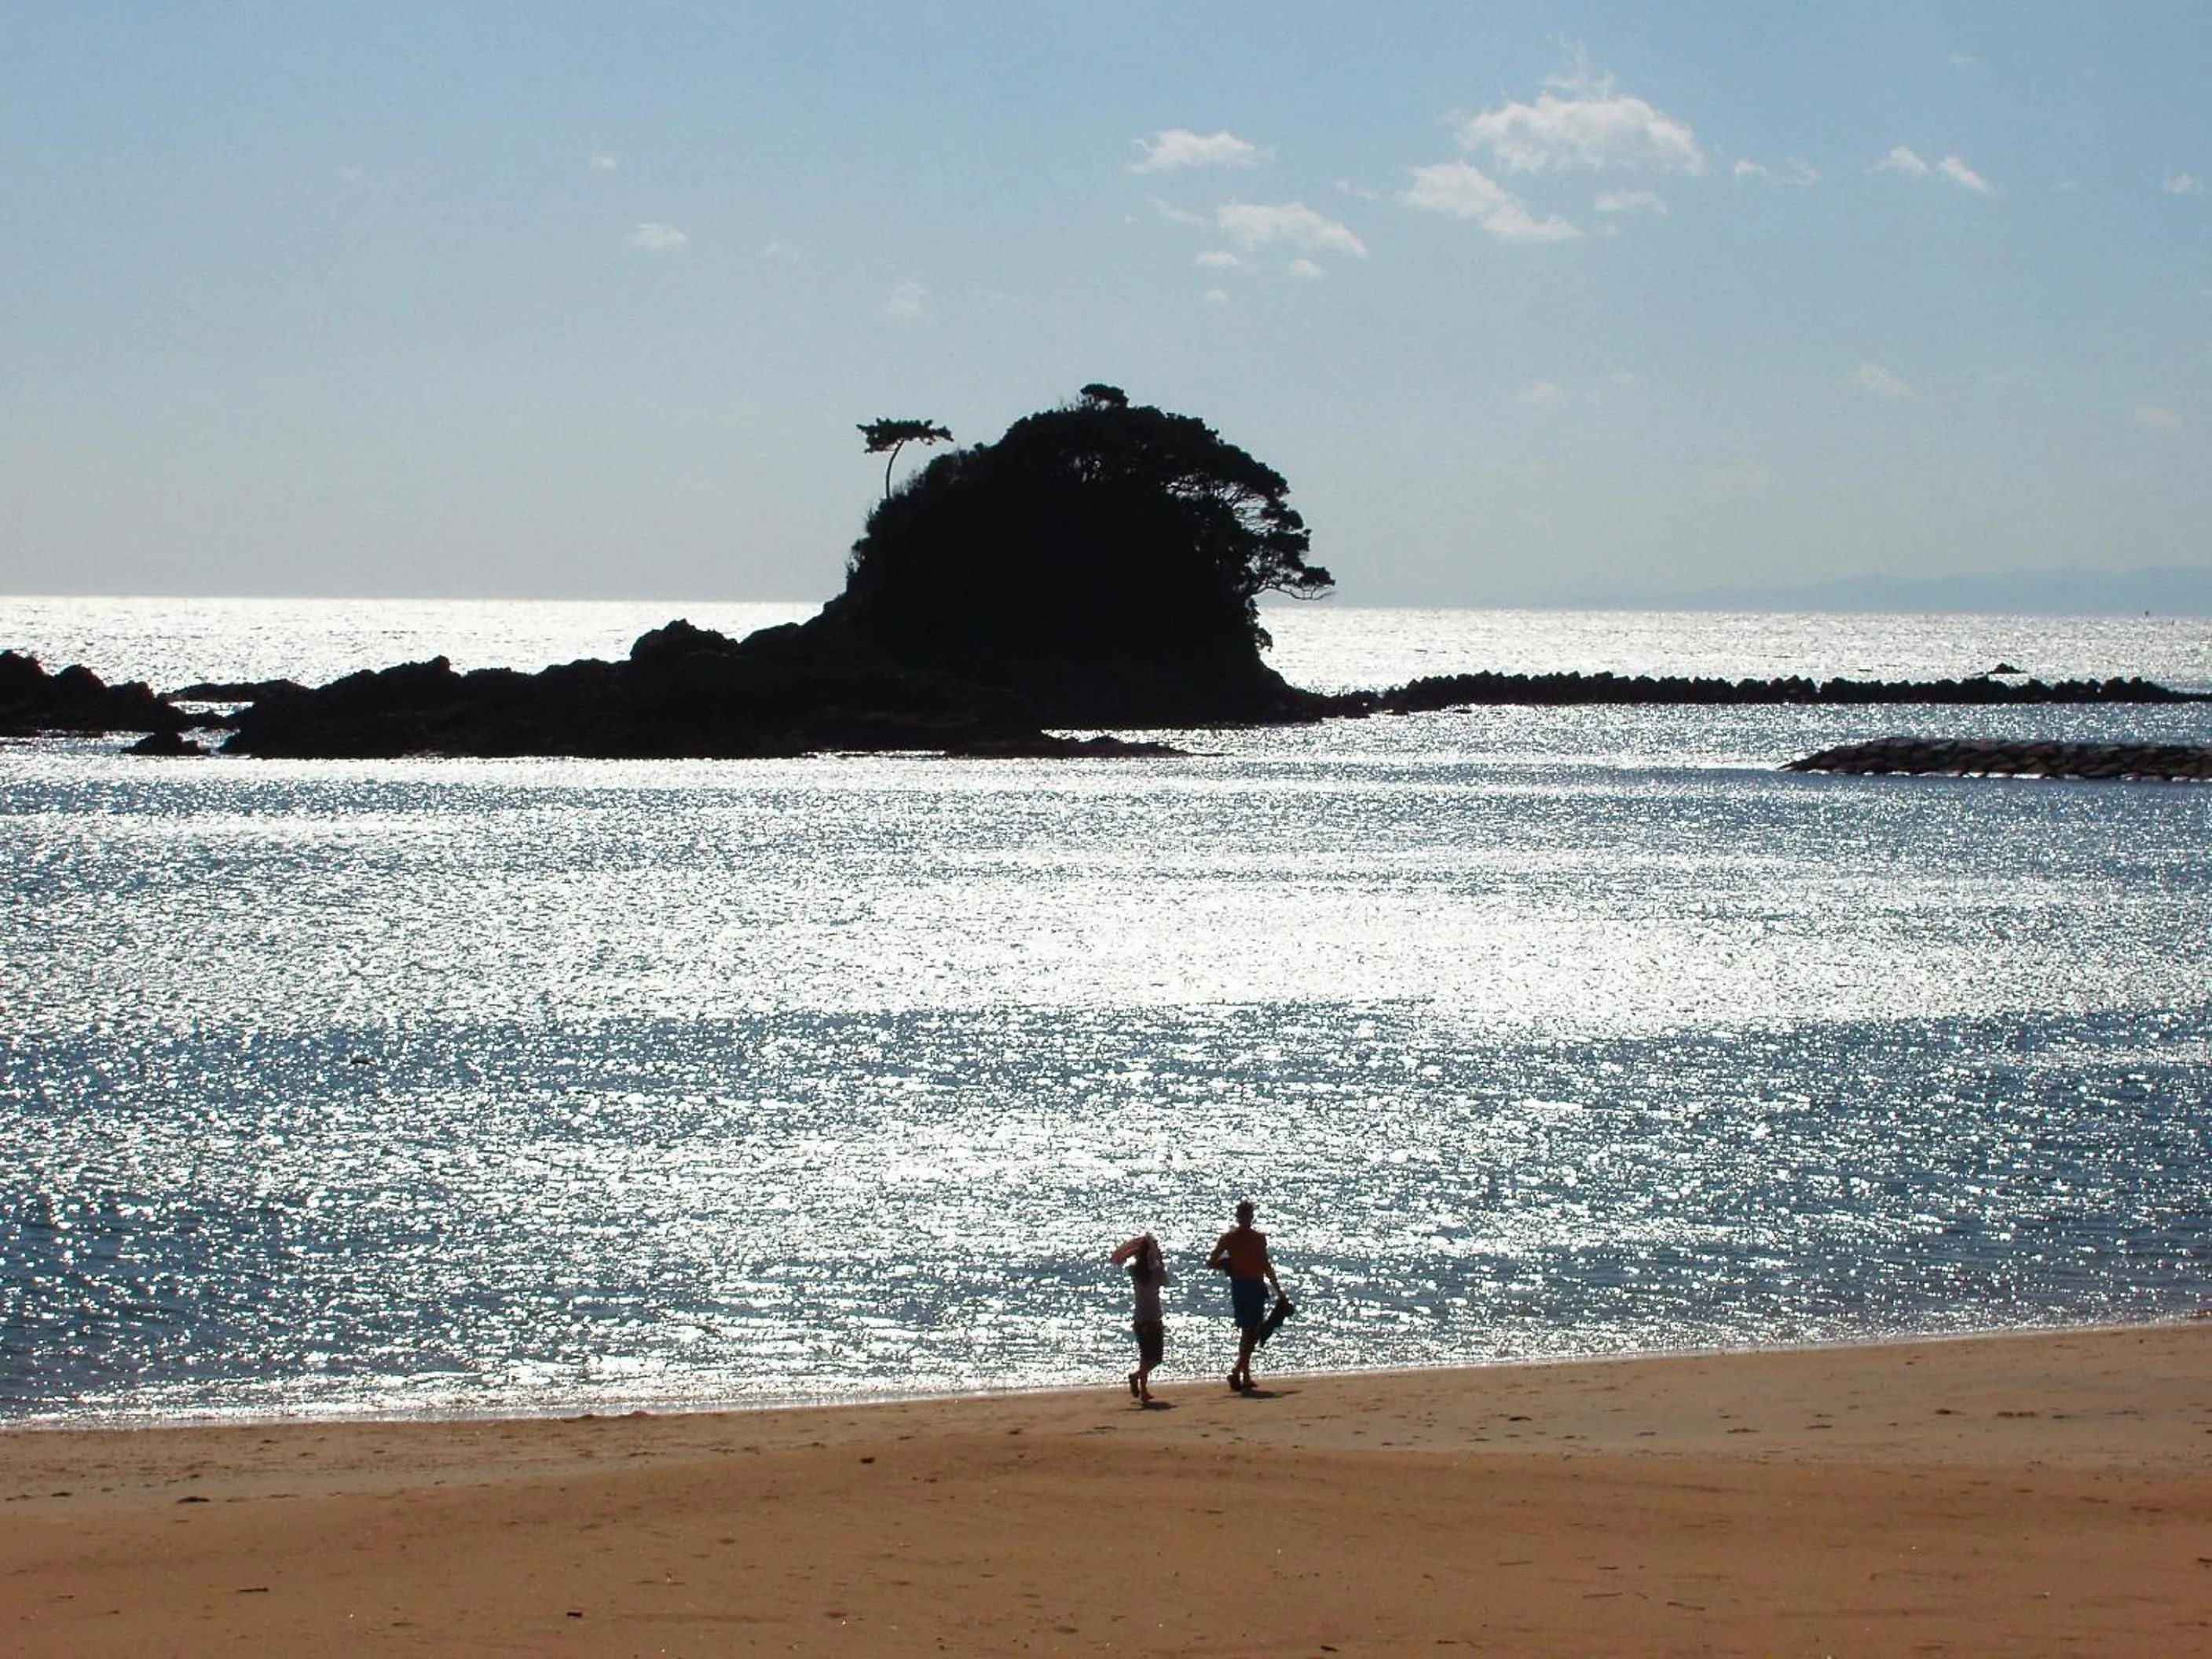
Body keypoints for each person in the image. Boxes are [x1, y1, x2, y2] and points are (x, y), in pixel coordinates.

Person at [1207, 1199, 1281, 1393]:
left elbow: (1213, 1262)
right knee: (1251, 1331)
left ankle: (1244, 1375)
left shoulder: (1238, 1238)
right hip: (1248, 1286)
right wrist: (1228, 1264)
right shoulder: (1247, 1239)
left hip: (1246, 1285)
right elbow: (1212, 1261)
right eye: (1246, 1215)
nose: (1247, 1219)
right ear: (1243, 1217)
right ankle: (1238, 1370)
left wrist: (1228, 1263)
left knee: (1248, 1332)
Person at [1109, 1232, 1170, 1404]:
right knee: (1155, 1358)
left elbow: (1143, 1264)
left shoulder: (1134, 1271)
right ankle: (1137, 1379)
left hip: (1140, 1317)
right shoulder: (1156, 1273)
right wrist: (1159, 1258)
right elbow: (1165, 1281)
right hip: (1153, 1317)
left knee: (1145, 1356)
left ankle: (1142, 1387)